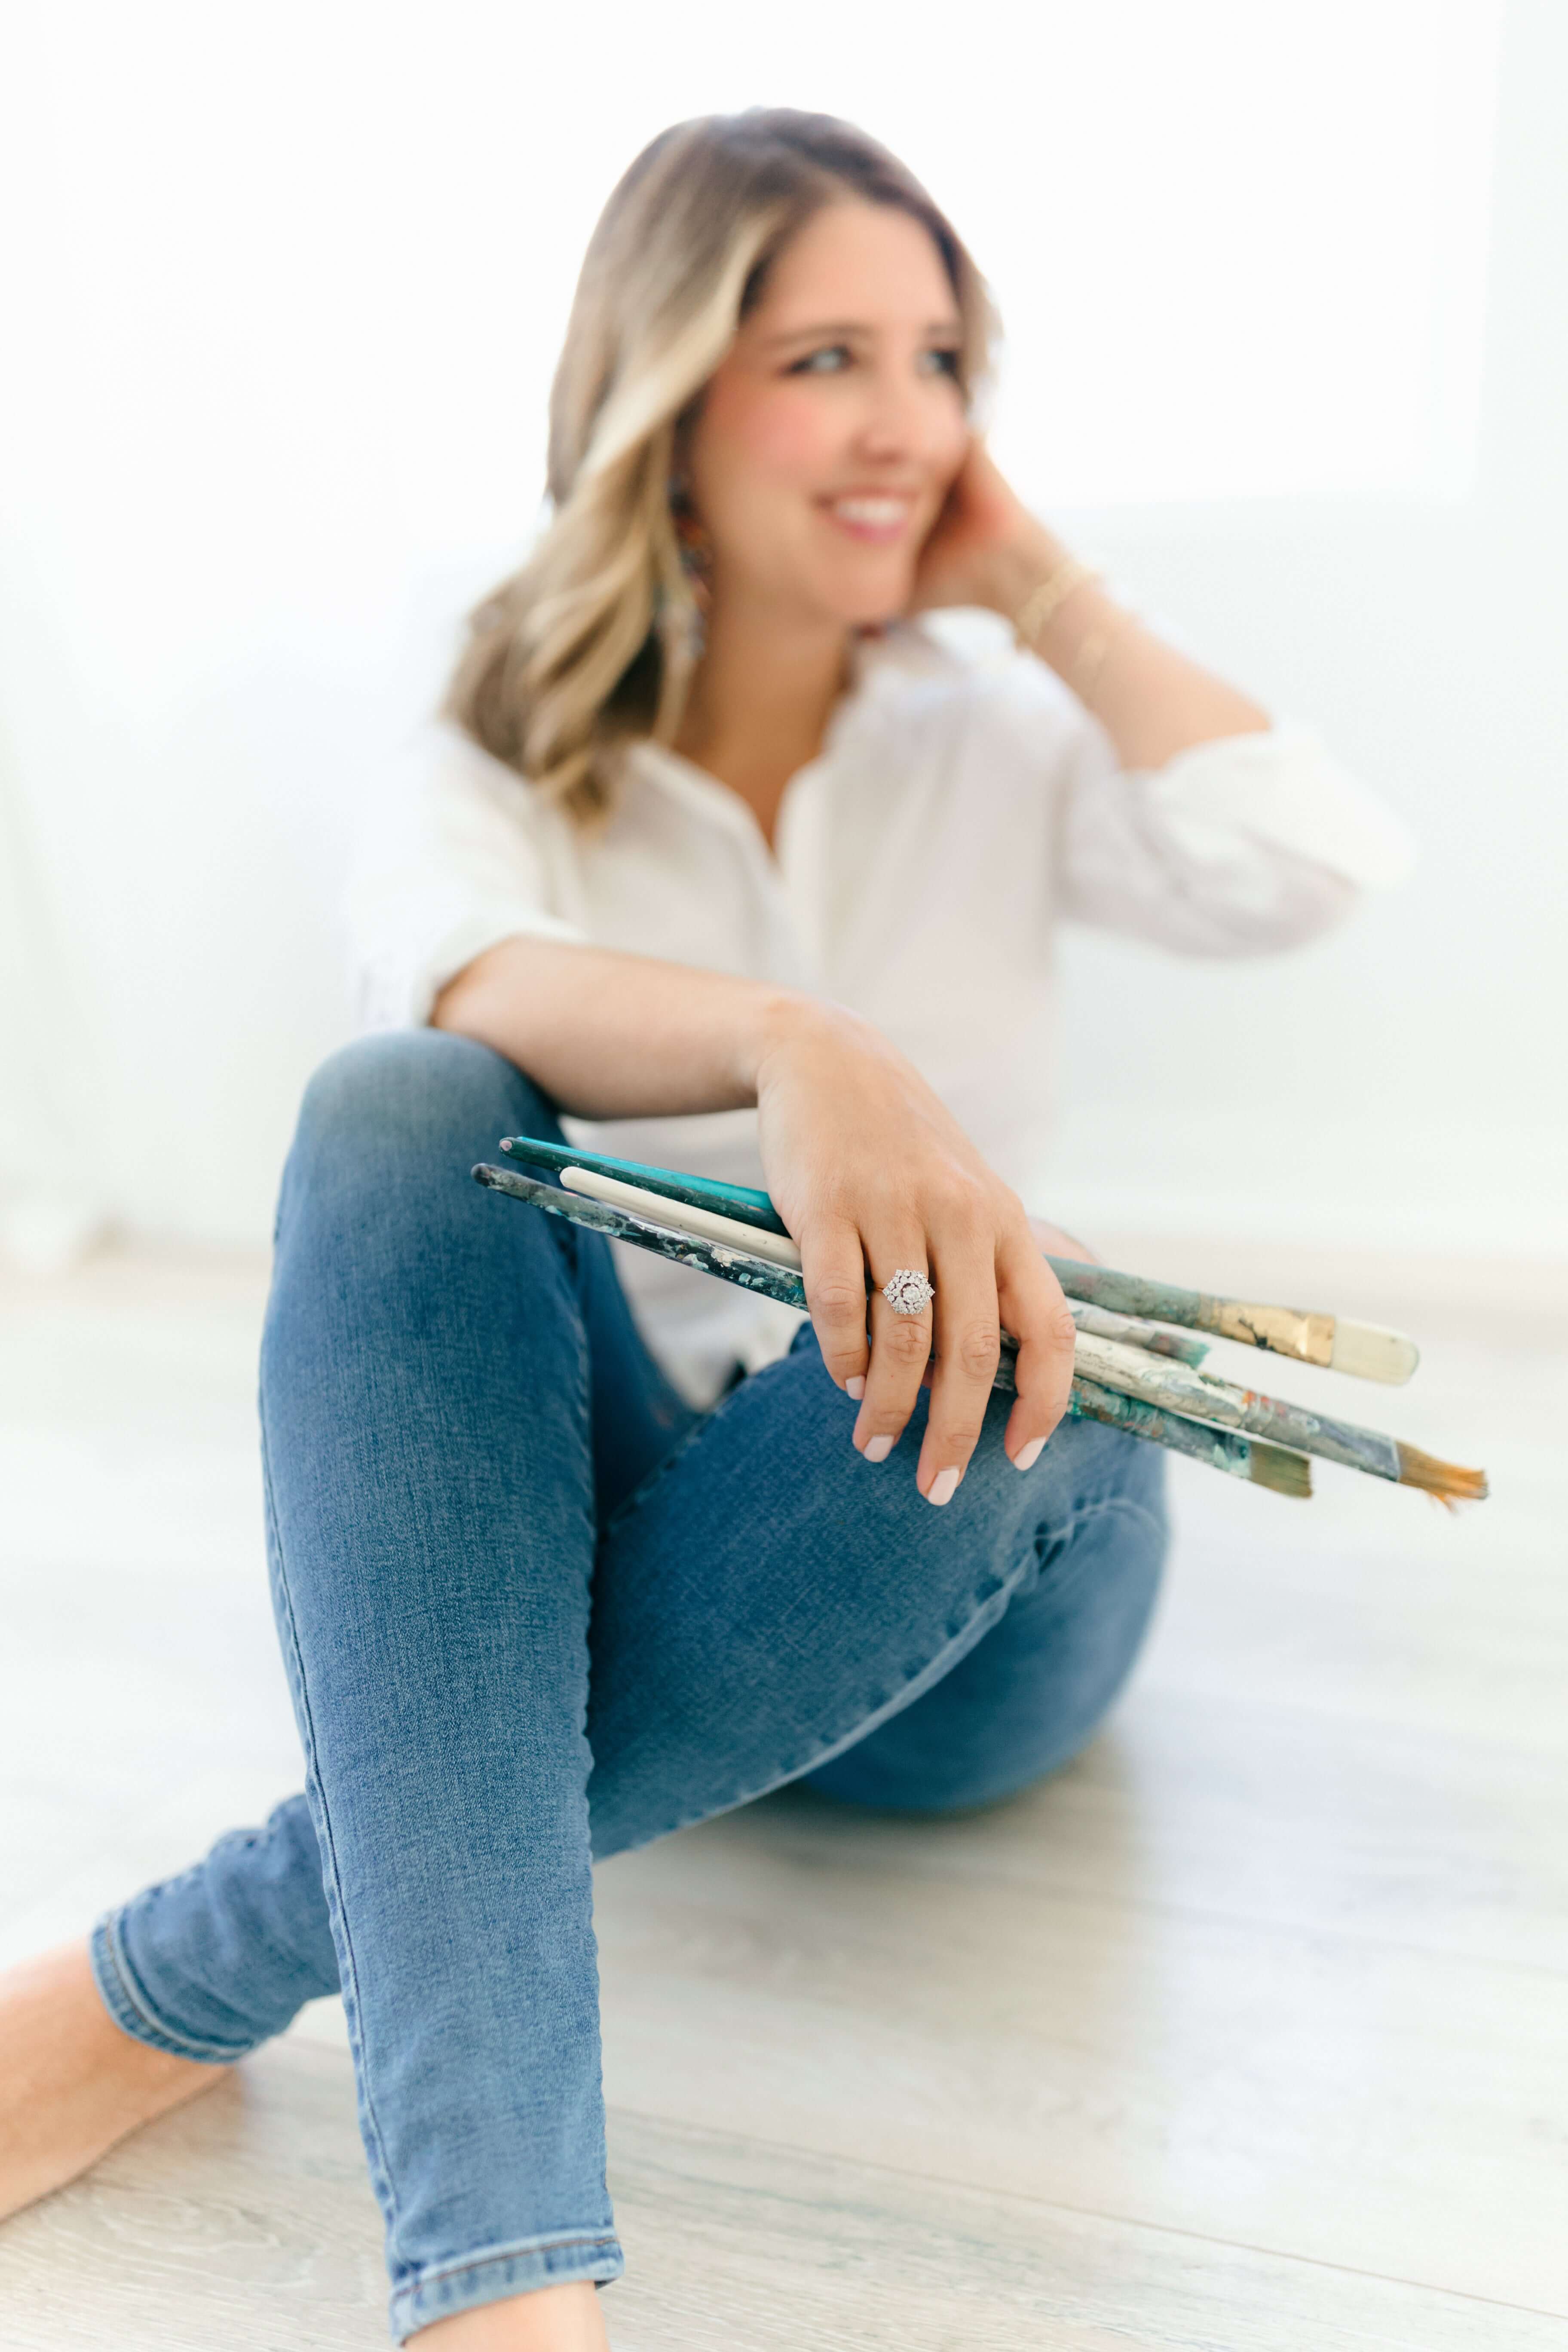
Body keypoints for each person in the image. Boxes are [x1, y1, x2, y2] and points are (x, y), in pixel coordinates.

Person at [0, 109, 1412, 2349]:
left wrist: (1033, 574)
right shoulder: (498, 755)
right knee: (401, 1107)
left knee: (1046, 1368)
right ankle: (505, 2297)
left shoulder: (998, 737)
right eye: (828, 358)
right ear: (667, 405)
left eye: (942, 360)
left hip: (954, 1578)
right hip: (629, 1498)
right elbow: (443, 985)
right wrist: (788, 1042)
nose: (907, 420)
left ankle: (163, 1985)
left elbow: (1311, 854)